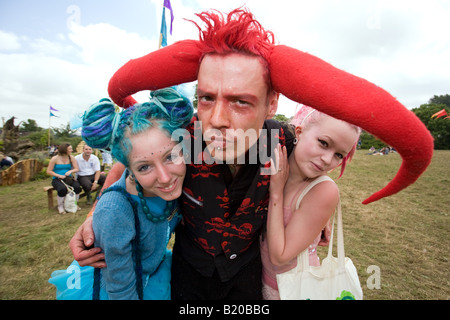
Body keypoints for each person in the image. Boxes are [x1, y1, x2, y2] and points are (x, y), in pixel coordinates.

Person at [68, 7, 433, 300]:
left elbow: (322, 156)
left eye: (241, 102)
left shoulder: (285, 140)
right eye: (207, 98)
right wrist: (97, 217)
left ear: (272, 103)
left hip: (247, 275)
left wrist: (313, 218)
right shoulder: (182, 137)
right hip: (188, 271)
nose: (218, 119)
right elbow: (131, 156)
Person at [48, 87, 193, 299]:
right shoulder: (115, 212)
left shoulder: (174, 181)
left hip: (154, 272)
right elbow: (120, 288)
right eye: (144, 167)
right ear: (129, 169)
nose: (164, 177)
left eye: (171, 156)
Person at [260, 105, 361, 300]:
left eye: (339, 155)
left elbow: (280, 256)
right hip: (255, 282)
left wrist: (276, 194)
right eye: (323, 143)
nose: (327, 159)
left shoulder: (323, 190)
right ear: (300, 131)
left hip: (292, 292)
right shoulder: (270, 160)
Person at [46, 143, 81, 214]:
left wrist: (70, 171)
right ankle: (60, 206)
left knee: (77, 187)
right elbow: (49, 171)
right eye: (70, 149)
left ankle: (74, 204)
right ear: (64, 150)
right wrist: (58, 175)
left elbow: (76, 169)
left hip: (68, 178)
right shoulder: (55, 158)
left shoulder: (71, 158)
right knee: (62, 189)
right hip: (57, 179)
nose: (71, 150)